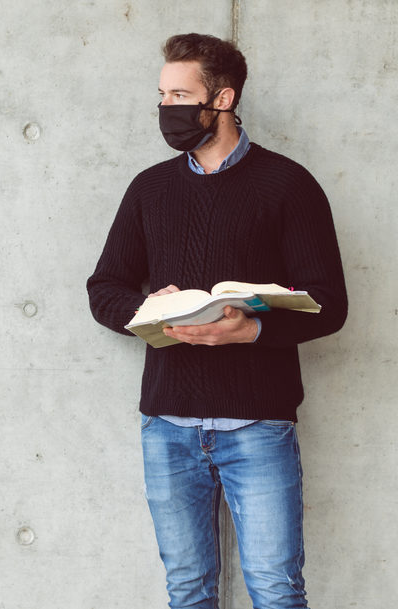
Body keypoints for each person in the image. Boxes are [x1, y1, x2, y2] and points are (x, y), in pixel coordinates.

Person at [87, 34, 347, 608]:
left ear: (223, 98)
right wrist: (151, 308)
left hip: (258, 424)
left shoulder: (288, 184)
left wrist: (250, 329)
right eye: (160, 95)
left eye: (180, 94)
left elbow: (330, 301)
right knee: (187, 590)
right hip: (167, 427)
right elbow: (103, 287)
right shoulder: (148, 189)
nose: (166, 109)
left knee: (277, 590)